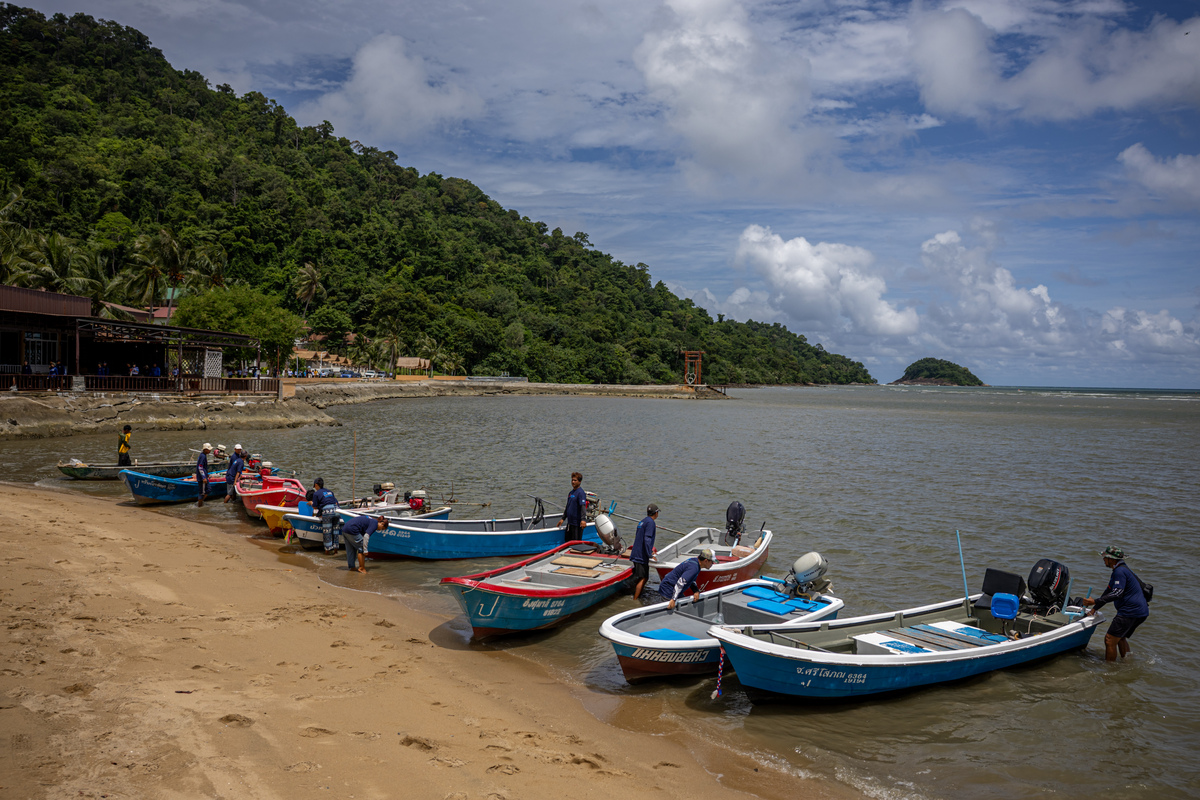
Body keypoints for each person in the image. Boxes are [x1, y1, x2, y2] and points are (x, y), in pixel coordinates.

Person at [1083, 545, 1150, 662]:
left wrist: (1095, 601)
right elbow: (1108, 591)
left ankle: (1109, 670)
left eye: (1105, 557)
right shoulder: (1122, 569)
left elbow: (1117, 593)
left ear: (1112, 559)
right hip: (1141, 611)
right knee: (1120, 638)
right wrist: (1094, 608)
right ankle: (1127, 663)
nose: (1103, 559)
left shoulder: (1119, 572)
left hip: (1129, 612)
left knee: (1109, 639)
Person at [630, 503, 659, 598]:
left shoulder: (642, 521)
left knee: (640, 576)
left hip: (636, 553)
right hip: (641, 556)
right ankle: (635, 599)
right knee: (644, 577)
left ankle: (633, 593)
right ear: (656, 513)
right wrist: (650, 554)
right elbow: (647, 539)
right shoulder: (651, 523)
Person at [311, 477, 341, 555]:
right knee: (335, 530)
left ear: (316, 485)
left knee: (327, 531)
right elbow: (336, 503)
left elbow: (315, 506)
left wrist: (311, 503)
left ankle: (327, 551)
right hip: (336, 510)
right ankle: (336, 550)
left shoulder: (316, 493)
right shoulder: (330, 491)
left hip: (328, 511)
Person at [557, 471, 587, 544]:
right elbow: (568, 506)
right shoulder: (571, 493)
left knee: (576, 544)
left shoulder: (581, 493)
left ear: (579, 482)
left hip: (577, 524)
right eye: (572, 480)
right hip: (570, 523)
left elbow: (583, 506)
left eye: (575, 480)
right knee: (568, 542)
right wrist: (563, 518)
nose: (573, 482)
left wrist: (583, 520)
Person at [195, 443, 212, 507]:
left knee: (207, 490)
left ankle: (201, 503)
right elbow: (200, 467)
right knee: (202, 492)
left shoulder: (203, 455)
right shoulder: (203, 456)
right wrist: (204, 477)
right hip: (202, 478)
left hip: (203, 476)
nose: (210, 451)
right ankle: (199, 504)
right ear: (205, 450)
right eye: (209, 450)